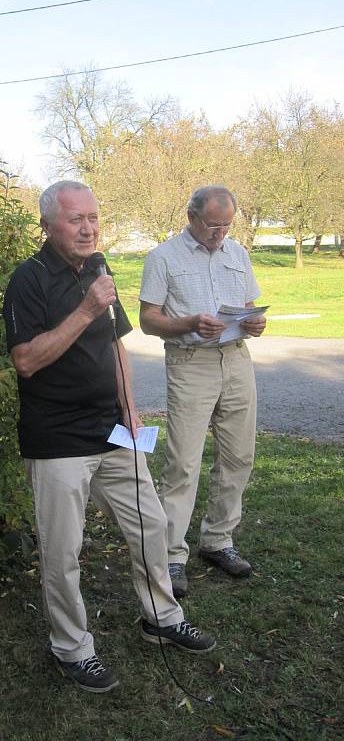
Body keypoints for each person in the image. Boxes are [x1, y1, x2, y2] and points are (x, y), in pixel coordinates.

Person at [3, 181, 216, 694]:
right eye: (76, 219)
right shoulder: (28, 280)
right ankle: (72, 648)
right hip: (57, 439)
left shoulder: (99, 268)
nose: (88, 228)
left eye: (93, 218)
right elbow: (26, 360)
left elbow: (117, 344)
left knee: (152, 525)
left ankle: (161, 618)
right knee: (63, 551)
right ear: (48, 224)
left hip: (114, 432)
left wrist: (131, 408)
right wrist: (83, 310)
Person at [139, 185, 266, 599]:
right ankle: (173, 554)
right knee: (183, 463)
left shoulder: (238, 254)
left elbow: (248, 303)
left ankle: (218, 541)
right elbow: (148, 321)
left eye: (226, 226)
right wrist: (190, 322)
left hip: (236, 359)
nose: (219, 234)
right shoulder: (162, 257)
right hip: (191, 364)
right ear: (191, 216)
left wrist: (254, 322)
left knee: (238, 455)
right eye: (213, 225)